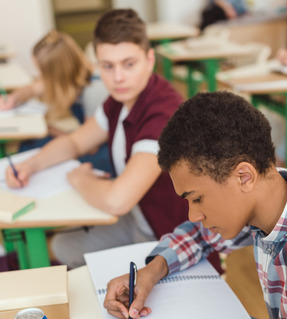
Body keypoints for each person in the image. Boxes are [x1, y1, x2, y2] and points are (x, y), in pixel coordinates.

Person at [71, 91, 287, 319]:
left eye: (197, 198)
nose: (193, 214)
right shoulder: (275, 192)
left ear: (244, 176)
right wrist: (153, 270)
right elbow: (199, 235)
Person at [5, 9, 190, 270]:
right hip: (137, 217)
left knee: (79, 263)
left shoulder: (162, 113)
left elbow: (118, 200)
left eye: (128, 64)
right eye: (107, 66)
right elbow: (75, 142)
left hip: (168, 235)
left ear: (149, 60)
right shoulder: (119, 100)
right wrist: (31, 165)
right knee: (62, 246)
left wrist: (81, 178)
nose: (117, 77)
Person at [0, 30, 111, 171]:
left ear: (57, 73)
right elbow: (33, 89)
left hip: (102, 152)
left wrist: (51, 130)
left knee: (35, 148)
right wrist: (13, 98)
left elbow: (90, 146)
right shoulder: (73, 77)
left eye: (43, 73)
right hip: (84, 139)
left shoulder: (93, 91)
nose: (40, 77)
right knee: (30, 144)